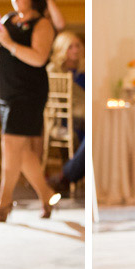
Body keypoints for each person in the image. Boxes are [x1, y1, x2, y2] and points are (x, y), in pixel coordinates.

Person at [0, 0, 61, 222]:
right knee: (22, 152)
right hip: (7, 90)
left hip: (28, 92)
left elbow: (38, 58)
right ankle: (47, 195)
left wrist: (8, 43)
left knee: (10, 144)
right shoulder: (9, 19)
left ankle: (3, 203)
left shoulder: (42, 24)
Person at [48, 31, 86, 197]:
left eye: (77, 45)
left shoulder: (85, 69)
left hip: (85, 118)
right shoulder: (55, 71)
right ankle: (67, 175)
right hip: (66, 119)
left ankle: (66, 175)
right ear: (62, 49)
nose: (75, 50)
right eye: (70, 46)